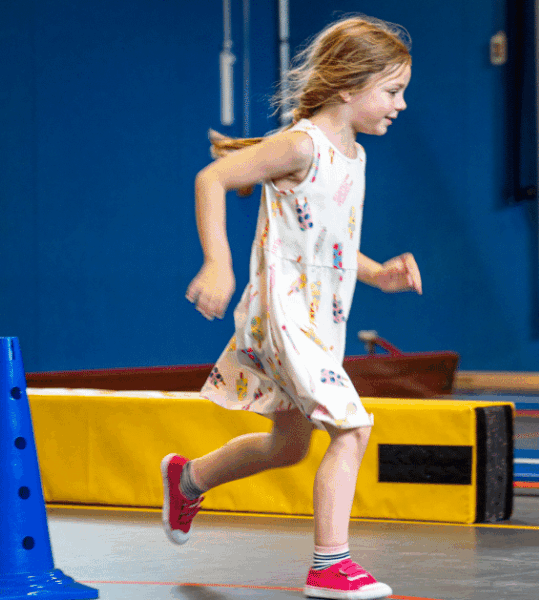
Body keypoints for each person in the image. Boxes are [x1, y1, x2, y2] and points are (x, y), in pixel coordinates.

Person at [160, 15, 419, 600]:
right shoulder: (302, 144)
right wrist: (218, 264)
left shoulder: (353, 157)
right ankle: (330, 564)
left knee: (289, 446)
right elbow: (212, 179)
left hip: (319, 323)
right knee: (352, 428)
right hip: (281, 315)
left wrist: (379, 274)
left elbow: (333, 242)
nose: (401, 106)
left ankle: (189, 477)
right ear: (350, 86)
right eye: (393, 91)